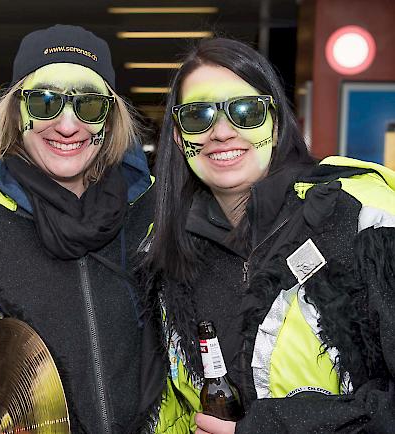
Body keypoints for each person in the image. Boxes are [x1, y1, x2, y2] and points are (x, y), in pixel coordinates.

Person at [143, 37, 395, 433]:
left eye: (246, 112)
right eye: (198, 116)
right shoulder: (169, 254)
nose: (221, 132)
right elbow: (177, 411)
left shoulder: (361, 218)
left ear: (276, 126)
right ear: (178, 137)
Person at [0, 24, 163, 434]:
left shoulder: (154, 212)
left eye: (88, 105)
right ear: (17, 114)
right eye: (46, 101)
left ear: (109, 118)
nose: (68, 126)